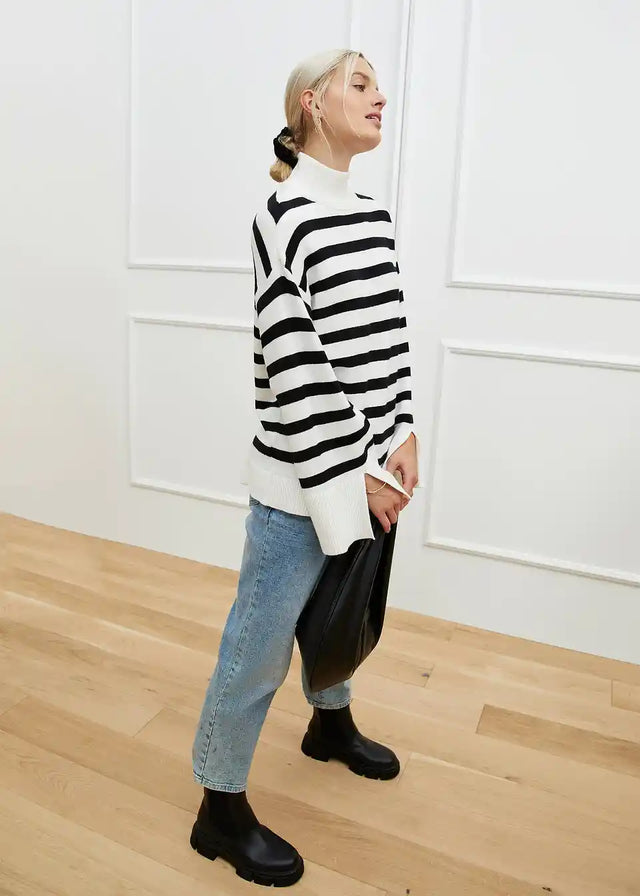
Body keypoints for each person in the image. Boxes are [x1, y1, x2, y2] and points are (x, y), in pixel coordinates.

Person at [189, 47, 421, 887]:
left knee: (340, 613)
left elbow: (386, 338)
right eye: (360, 84)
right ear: (312, 105)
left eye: (377, 85)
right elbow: (295, 362)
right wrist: (361, 467)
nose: (379, 96)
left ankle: (328, 723)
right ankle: (218, 805)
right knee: (258, 646)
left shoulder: (374, 216)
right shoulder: (281, 216)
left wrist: (403, 431)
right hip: (300, 478)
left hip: (369, 465)